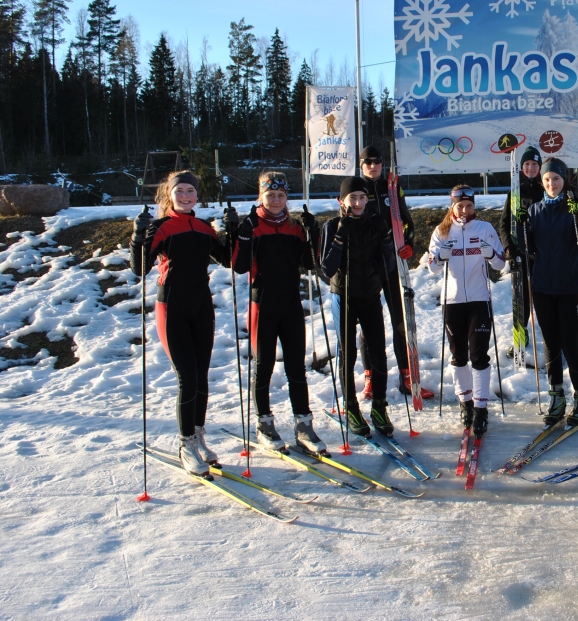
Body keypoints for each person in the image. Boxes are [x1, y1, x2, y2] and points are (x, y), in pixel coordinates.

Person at [130, 171, 231, 475]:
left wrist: (231, 231)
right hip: (171, 306)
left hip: (202, 304)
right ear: (170, 195)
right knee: (187, 377)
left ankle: (198, 437)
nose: (186, 196)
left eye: (191, 191)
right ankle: (186, 444)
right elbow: (140, 268)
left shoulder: (203, 228)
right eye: (180, 191)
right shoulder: (161, 227)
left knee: (201, 376)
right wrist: (138, 237)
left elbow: (226, 259)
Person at [230, 171, 327, 455]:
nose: (275, 200)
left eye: (280, 195)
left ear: (287, 198)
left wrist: (314, 233)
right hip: (263, 304)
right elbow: (238, 266)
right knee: (264, 366)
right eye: (270, 195)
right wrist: (243, 234)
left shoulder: (293, 226)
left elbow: (310, 263)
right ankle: (264, 423)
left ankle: (304, 425)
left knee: (297, 367)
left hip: (291, 303)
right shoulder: (254, 225)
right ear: (261, 196)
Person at [318, 176, 395, 438]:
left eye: (363, 197)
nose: (359, 202)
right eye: (353, 198)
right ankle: (351, 406)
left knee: (378, 352)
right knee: (348, 353)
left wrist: (385, 236)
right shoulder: (332, 225)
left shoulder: (374, 223)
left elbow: (389, 266)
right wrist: (340, 236)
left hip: (371, 295)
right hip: (344, 294)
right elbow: (326, 270)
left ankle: (380, 407)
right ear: (342, 201)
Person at [427, 185, 506, 436]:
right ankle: (466, 403)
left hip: (479, 300)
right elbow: (432, 268)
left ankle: (481, 408)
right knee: (458, 355)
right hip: (453, 302)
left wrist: (491, 253)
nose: (464, 210)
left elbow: (501, 263)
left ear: (474, 206)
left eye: (469, 205)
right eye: (460, 205)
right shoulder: (442, 231)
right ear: (452, 206)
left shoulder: (484, 228)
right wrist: (440, 257)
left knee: (479, 355)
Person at [356, 146, 433, 400]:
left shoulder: (392, 187)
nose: (373, 166)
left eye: (377, 162)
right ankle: (370, 377)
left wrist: (409, 242)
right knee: (369, 324)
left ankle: (407, 376)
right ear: (361, 164)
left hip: (390, 261)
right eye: (368, 162)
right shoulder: (357, 188)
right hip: (367, 265)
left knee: (400, 321)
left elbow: (407, 220)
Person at [526, 157, 578, 427]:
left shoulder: (577, 207)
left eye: (555, 179)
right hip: (543, 286)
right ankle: (557, 396)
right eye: (546, 180)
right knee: (550, 345)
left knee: (570, 344)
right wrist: (519, 225)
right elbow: (527, 247)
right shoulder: (534, 210)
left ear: (564, 180)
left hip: (569, 285)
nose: (551, 184)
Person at [498, 145, 545, 358]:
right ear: (521, 167)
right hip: (521, 254)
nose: (531, 168)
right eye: (526, 164)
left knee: (545, 299)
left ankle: (550, 338)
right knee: (521, 301)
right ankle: (519, 338)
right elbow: (504, 223)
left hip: (544, 253)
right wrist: (509, 247)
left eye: (534, 164)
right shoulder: (515, 190)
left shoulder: (547, 188)